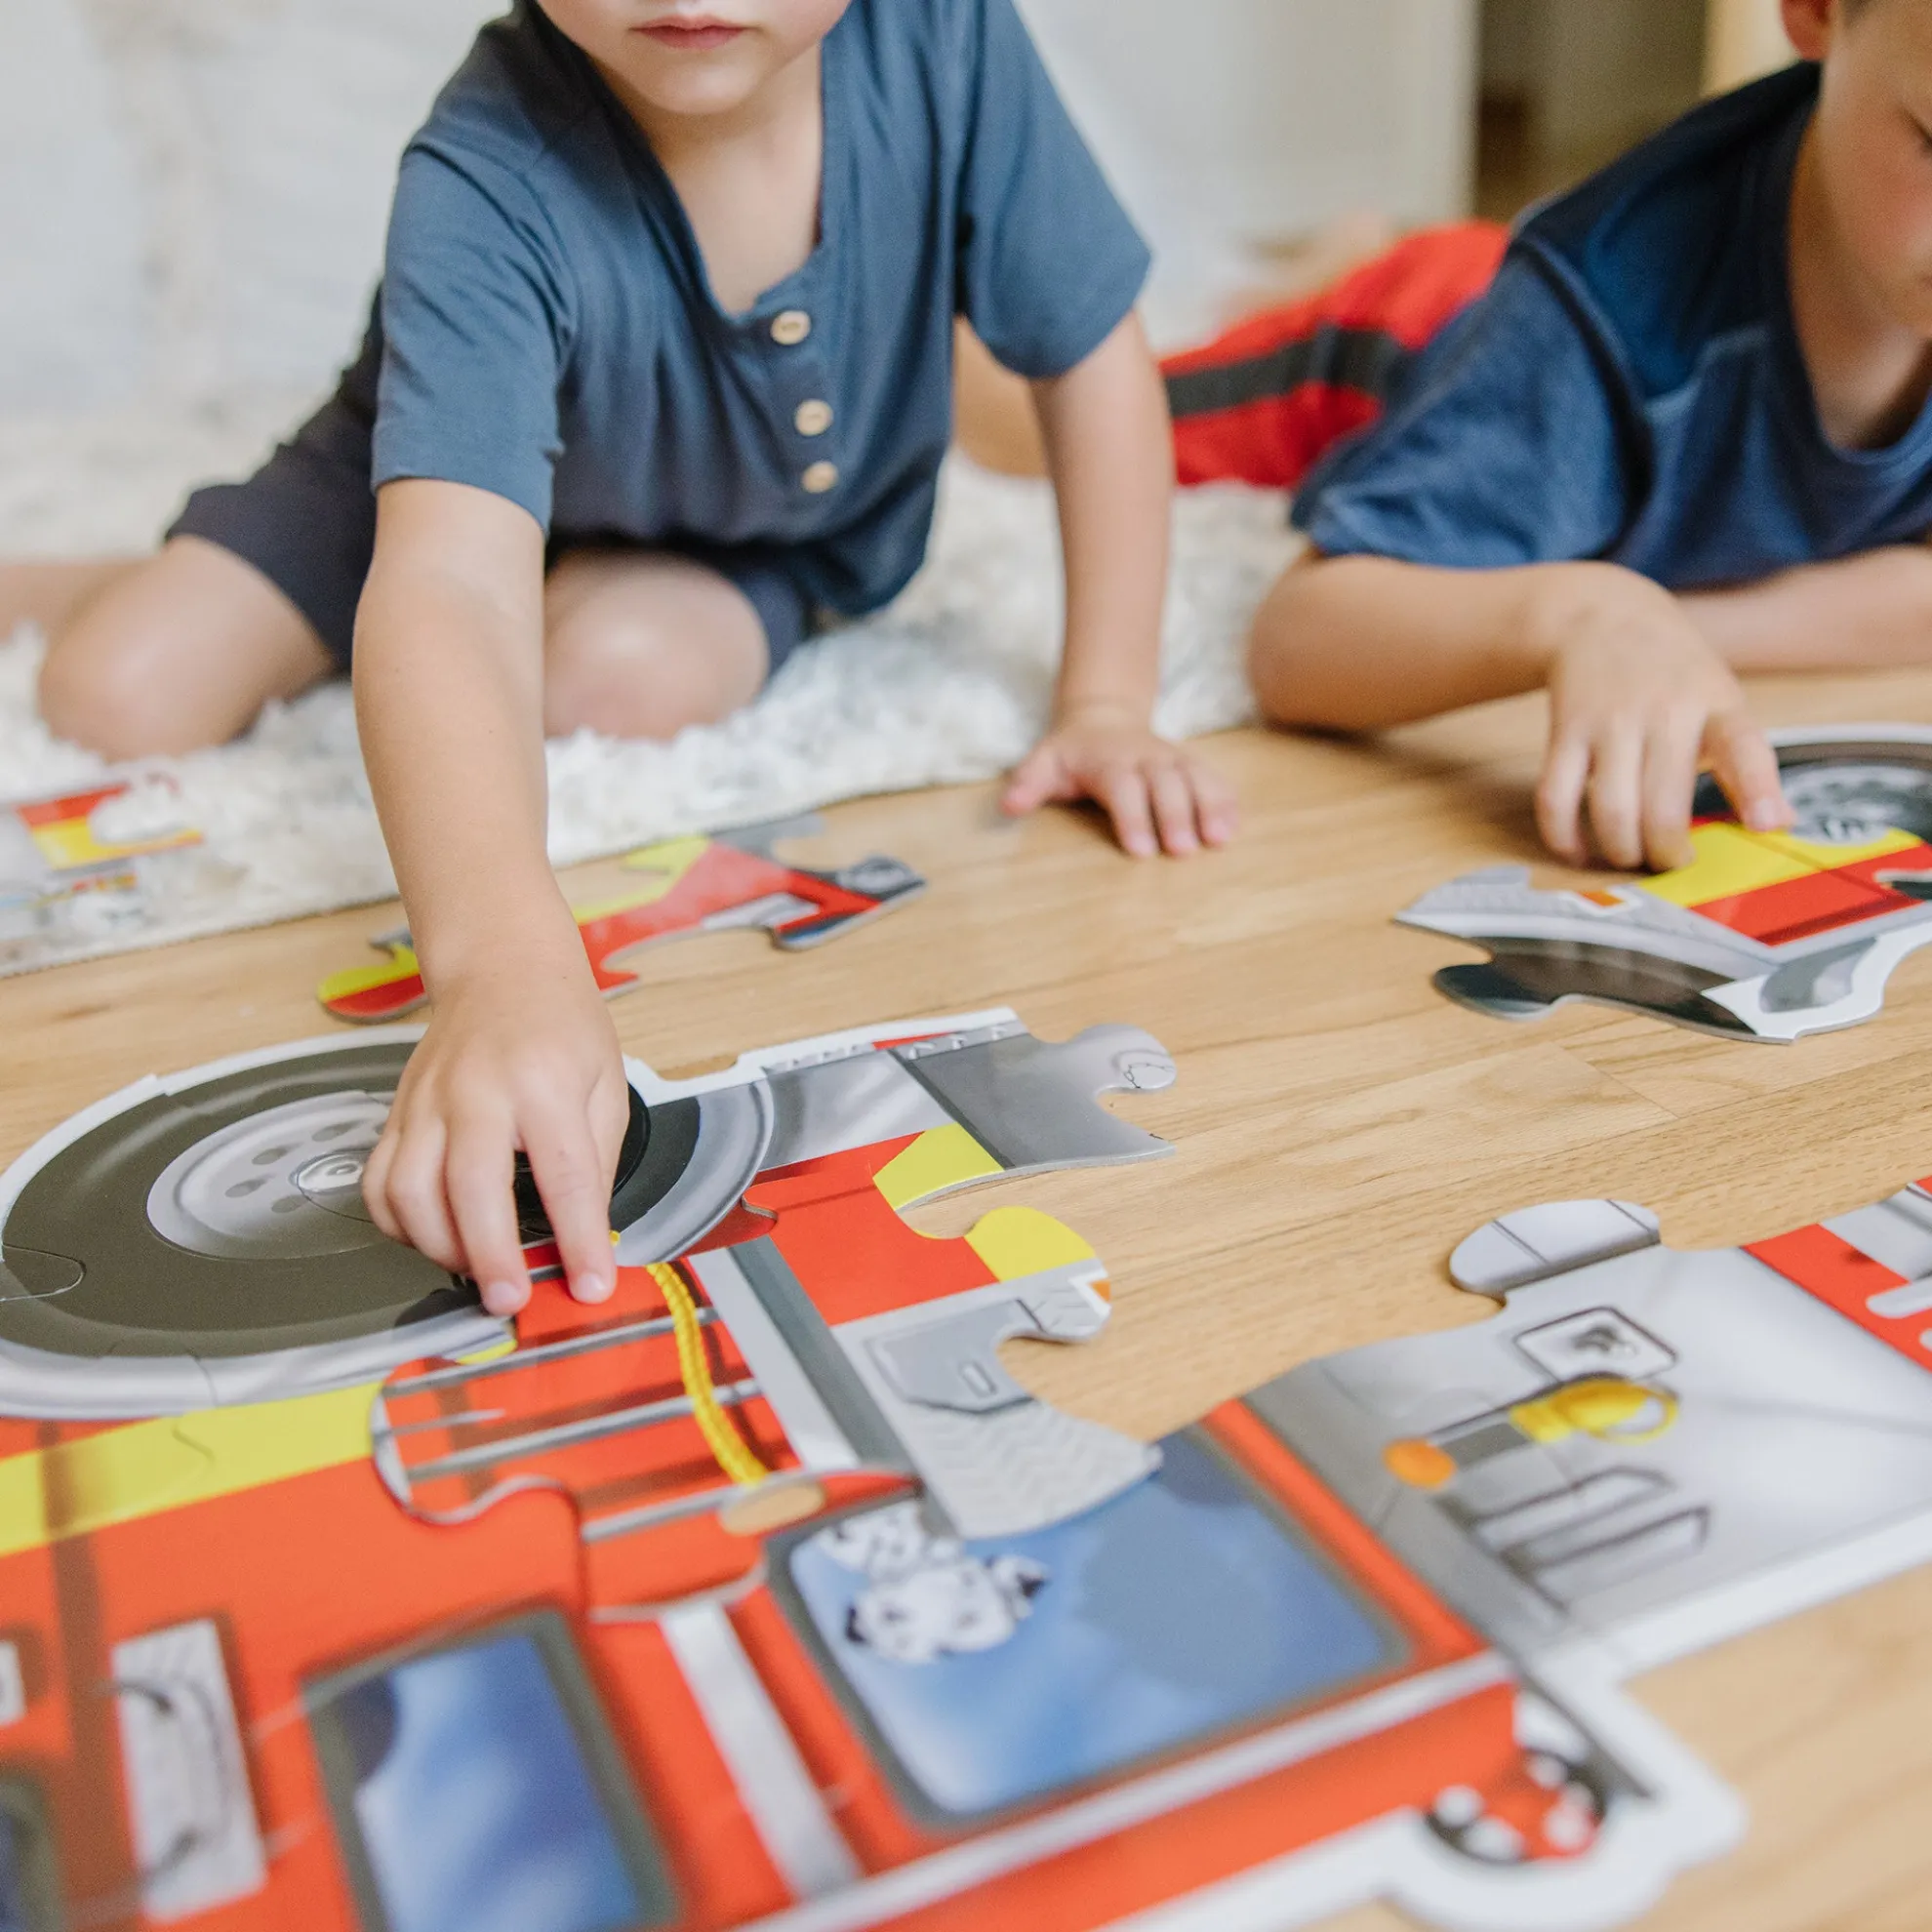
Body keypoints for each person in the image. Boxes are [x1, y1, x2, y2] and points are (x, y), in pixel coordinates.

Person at [2, 0, 1236, 1317]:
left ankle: (515, 560)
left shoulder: (946, 40)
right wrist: (501, 965)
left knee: (608, 684)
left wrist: (1107, 697)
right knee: (116, 689)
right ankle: (112, 575)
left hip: (772, 534)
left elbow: (1094, 359)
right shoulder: (484, 168)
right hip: (409, 483)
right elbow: (446, 583)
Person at [1250, 0, 1932, 878]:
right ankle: (1330, 269)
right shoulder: (1590, 314)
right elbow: (1293, 640)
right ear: (1814, 12)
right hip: (1390, 337)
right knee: (1071, 402)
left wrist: (1668, 627)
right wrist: (1583, 611)